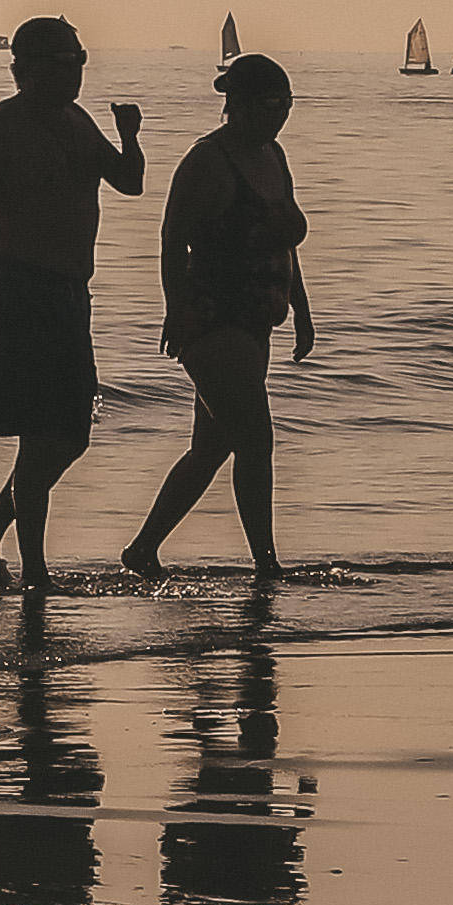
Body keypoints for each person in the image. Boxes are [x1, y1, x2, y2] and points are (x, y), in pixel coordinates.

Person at [0, 19, 144, 595]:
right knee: (39, 434)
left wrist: (130, 134)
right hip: (17, 291)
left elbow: (129, 183)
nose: (72, 75)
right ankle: (33, 568)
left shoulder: (78, 122)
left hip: (68, 294)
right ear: (23, 70)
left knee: (72, 432)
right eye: (60, 65)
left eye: (78, 63)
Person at [121, 50, 312, 582]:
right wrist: (175, 308)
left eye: (287, 104)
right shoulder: (208, 161)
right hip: (211, 319)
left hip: (257, 319)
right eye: (272, 104)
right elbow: (169, 239)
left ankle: (142, 550)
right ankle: (266, 563)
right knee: (255, 437)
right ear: (238, 104)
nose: (281, 114)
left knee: (211, 447)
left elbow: (286, 246)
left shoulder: (274, 155)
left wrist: (302, 309)